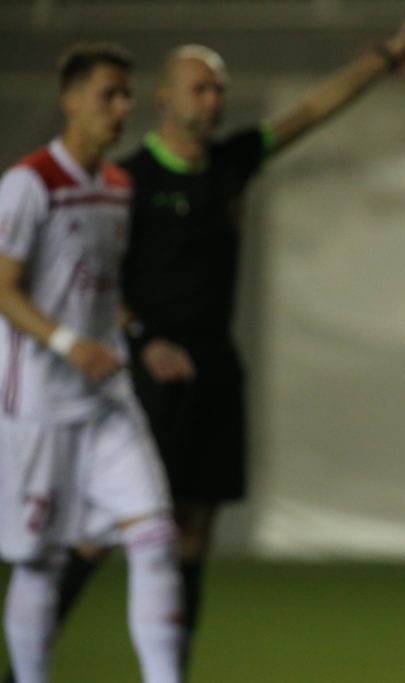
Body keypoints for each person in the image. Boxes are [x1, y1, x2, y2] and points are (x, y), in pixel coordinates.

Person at [4, 0, 405, 678]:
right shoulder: (128, 181)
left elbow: (312, 110)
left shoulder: (231, 162)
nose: (213, 100)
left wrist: (389, 54)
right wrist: (141, 335)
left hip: (211, 368)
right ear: (165, 98)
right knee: (96, 532)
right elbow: (95, 283)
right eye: (200, 88)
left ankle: (170, 665)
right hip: (139, 372)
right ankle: (31, 660)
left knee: (189, 534)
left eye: (220, 89)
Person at [0, 44, 183, 683]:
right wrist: (66, 343)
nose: (122, 107)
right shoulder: (29, 184)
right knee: (40, 562)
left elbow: (100, 289)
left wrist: (135, 337)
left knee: (155, 535)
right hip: (39, 404)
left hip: (107, 398)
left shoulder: (117, 187)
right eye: (109, 94)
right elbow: (3, 288)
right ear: (71, 101)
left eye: (126, 95)